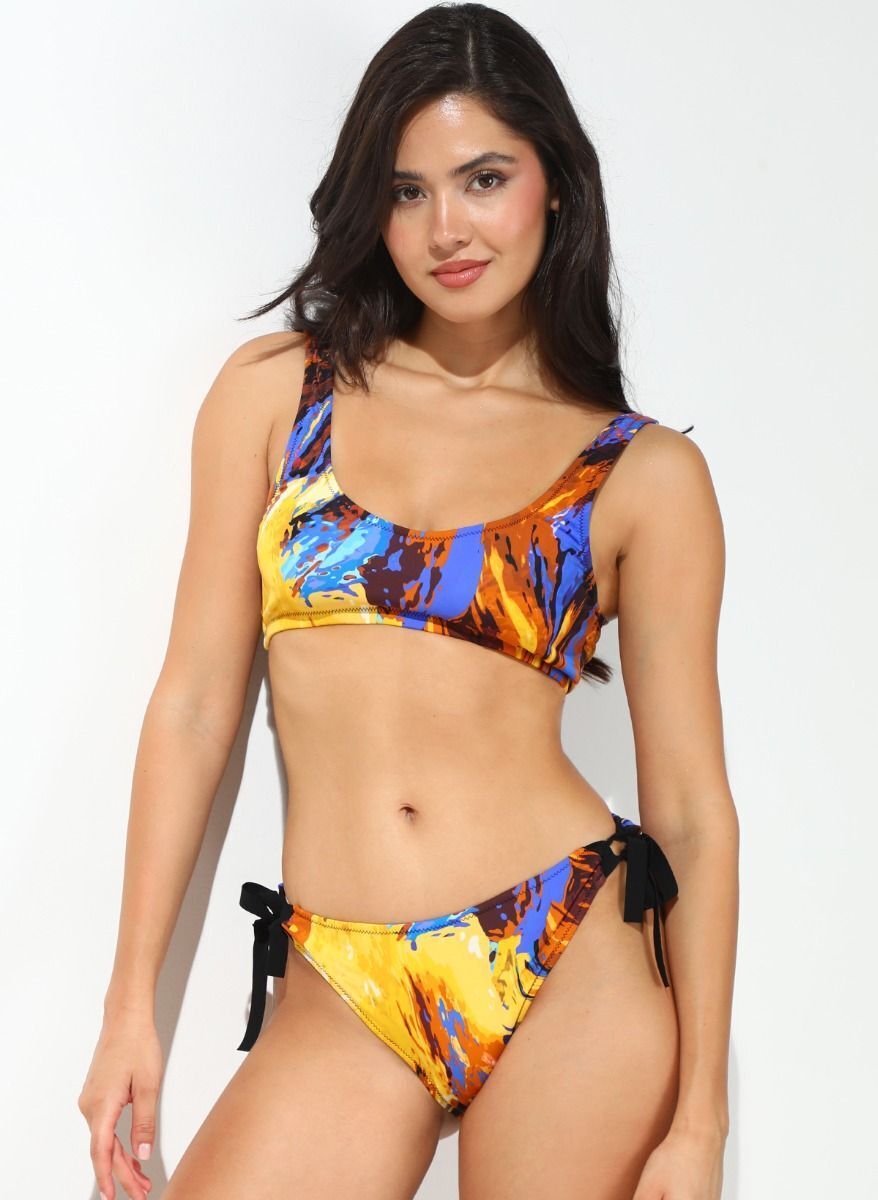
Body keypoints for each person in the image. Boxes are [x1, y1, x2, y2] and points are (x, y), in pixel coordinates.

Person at [78, 4, 738, 1198]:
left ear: (553, 184)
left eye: (484, 179)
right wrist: (133, 1006)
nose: (447, 230)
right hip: (341, 984)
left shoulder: (639, 475)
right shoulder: (279, 398)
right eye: (406, 190)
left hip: (568, 958)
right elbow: (194, 709)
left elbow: (689, 813)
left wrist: (699, 1125)